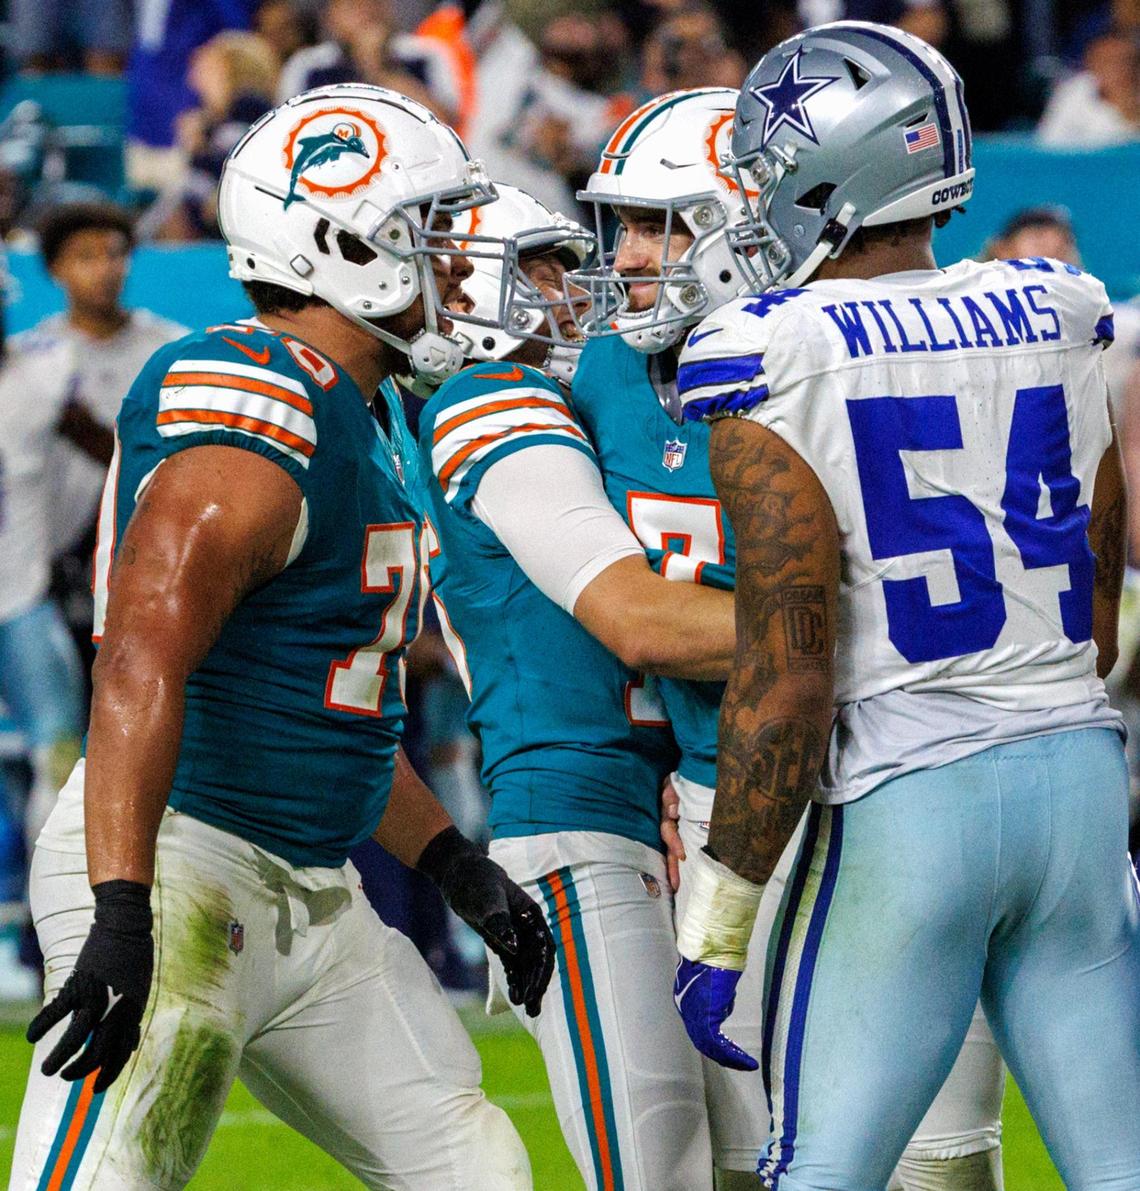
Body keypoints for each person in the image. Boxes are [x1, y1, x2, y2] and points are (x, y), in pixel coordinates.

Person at [10, 84, 553, 1191]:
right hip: (180, 864)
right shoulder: (257, 400)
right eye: (428, 235)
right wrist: (121, 907)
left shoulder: (363, 409)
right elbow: (140, 658)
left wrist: (451, 862)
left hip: (314, 896)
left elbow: (326, 704)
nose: (456, 264)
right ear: (345, 251)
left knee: (475, 1165)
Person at [671, 22, 1140, 1189]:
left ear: (829, 172)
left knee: (821, 1171)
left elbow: (787, 675)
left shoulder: (769, 352)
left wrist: (719, 920)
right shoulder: (1060, 309)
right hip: (1079, 788)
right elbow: (1100, 607)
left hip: (910, 798)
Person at [568, 85, 1004, 1190]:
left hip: (905, 784)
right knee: (749, 1162)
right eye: (619, 225)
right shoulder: (607, 373)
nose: (625, 259)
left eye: (655, 225)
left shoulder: (862, 356)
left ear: (745, 226)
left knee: (941, 1164)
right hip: (727, 806)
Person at [421, 182, 739, 1190]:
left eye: (567, 268)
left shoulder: (602, 398)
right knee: (657, 1162)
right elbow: (638, 620)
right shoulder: (490, 401)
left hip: (673, 798)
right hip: (574, 809)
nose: (570, 296)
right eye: (535, 274)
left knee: (758, 1154)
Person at [29, 203, 187, 662]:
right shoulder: (35, 360)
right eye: (85, 256)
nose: (105, 269)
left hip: (152, 547)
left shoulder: (171, 349)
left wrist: (86, 432)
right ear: (55, 268)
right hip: (58, 554)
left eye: (115, 254)